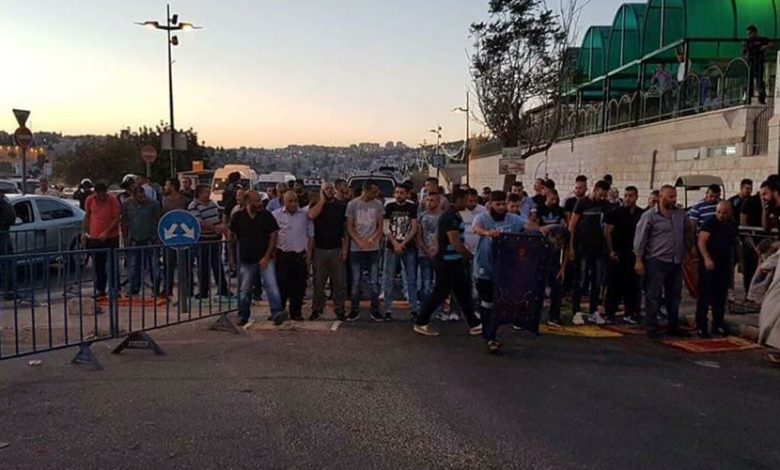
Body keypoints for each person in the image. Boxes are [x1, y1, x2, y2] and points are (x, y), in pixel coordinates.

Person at [413, 189, 482, 337]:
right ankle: (421, 322)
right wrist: (468, 255)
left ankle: (474, 323)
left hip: (453, 261)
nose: (467, 203)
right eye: (465, 200)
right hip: (448, 262)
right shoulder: (450, 217)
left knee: (462, 292)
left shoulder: (453, 215)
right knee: (441, 293)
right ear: (458, 200)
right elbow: (455, 242)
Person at [634, 185, 693, 338]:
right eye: (670, 197)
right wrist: (638, 260)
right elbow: (641, 238)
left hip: (676, 261)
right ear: (661, 197)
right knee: (653, 295)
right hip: (657, 260)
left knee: (674, 296)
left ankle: (672, 326)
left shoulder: (680, 214)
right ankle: (652, 327)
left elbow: (687, 232)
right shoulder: (650, 216)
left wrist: (688, 252)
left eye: (675, 196)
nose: (674, 200)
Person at [472, 191, 527, 353]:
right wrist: (488, 233)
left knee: (502, 302)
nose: (502, 207)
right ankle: (489, 336)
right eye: (498, 204)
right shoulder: (482, 218)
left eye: (504, 204)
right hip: (485, 267)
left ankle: (493, 331)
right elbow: (476, 228)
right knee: (487, 302)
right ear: (490, 205)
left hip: (505, 269)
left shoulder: (514, 219)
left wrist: (544, 229)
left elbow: (528, 226)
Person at [230, 190, 285, 326]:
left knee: (271, 285)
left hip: (265, 258)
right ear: (248, 202)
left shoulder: (266, 215)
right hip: (246, 258)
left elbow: (274, 235)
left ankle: (276, 312)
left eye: (260, 200)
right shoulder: (238, 216)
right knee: (245, 288)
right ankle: (243, 314)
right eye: (257, 201)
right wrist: (232, 257)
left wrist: (267, 256)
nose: (260, 203)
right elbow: (231, 235)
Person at [568, 180, 611, 325]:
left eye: (604, 195)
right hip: (582, 248)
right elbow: (572, 226)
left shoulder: (603, 204)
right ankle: (576, 311)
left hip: (597, 248)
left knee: (596, 281)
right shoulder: (582, 203)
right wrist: (571, 247)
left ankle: (593, 311)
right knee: (580, 280)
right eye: (600, 194)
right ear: (595, 190)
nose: (602, 198)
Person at [696, 202, 738, 337]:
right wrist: (707, 259)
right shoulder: (710, 223)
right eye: (719, 212)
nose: (721, 216)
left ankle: (718, 324)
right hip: (709, 264)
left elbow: (733, 244)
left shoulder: (731, 224)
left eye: (725, 213)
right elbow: (701, 242)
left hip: (723, 265)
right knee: (705, 297)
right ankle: (701, 326)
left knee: (720, 297)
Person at [308, 182, 348, 321]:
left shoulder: (341, 206)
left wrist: (345, 248)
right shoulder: (316, 205)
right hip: (319, 249)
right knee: (318, 282)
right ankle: (317, 308)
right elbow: (311, 216)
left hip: (336, 248)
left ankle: (340, 309)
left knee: (339, 282)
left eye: (331, 188)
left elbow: (346, 230)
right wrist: (322, 200)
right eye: (326, 189)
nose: (329, 191)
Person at [345, 180, 385, 321]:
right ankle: (354, 309)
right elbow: (349, 227)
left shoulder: (378, 205)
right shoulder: (352, 205)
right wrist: (359, 241)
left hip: (373, 248)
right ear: (366, 190)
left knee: (374, 281)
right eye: (373, 192)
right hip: (356, 249)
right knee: (356, 280)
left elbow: (380, 227)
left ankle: (375, 309)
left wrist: (372, 239)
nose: (376, 194)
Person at [604, 186, 644, 324]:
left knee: (632, 286)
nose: (628, 198)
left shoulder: (641, 214)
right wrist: (611, 250)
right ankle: (610, 313)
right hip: (618, 253)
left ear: (636, 197)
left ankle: (630, 313)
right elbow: (608, 233)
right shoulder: (615, 212)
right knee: (614, 285)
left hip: (633, 254)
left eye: (631, 196)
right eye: (626, 195)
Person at [272, 190, 314, 321]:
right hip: (282, 254)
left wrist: (309, 254)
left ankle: (296, 312)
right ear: (284, 202)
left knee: (299, 285)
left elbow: (310, 236)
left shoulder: (304, 215)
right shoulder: (276, 215)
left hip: (299, 255)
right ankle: (279, 311)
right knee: (281, 284)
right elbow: (273, 235)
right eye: (290, 201)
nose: (293, 204)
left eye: (295, 201)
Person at [382, 183, 419, 321]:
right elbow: (386, 228)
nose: (399, 195)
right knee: (389, 278)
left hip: (408, 247)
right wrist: (395, 243)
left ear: (407, 194)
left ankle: (414, 308)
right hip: (391, 247)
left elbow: (414, 228)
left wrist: (403, 243)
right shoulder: (389, 207)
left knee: (411, 279)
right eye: (397, 192)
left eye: (402, 193)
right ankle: (387, 309)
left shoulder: (412, 207)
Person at [188, 185, 230, 299]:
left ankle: (223, 289)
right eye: (206, 192)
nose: (208, 194)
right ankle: (203, 291)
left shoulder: (212, 203)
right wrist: (215, 228)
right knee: (203, 266)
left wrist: (221, 226)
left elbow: (218, 216)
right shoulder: (194, 206)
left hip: (215, 238)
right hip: (203, 239)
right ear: (199, 194)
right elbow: (199, 222)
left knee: (217, 265)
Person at [121, 186, 162, 297]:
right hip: (134, 238)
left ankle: (156, 289)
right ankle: (134, 289)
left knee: (154, 265)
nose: (142, 199)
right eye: (139, 197)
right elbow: (124, 221)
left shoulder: (153, 204)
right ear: (134, 196)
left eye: (143, 196)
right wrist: (125, 238)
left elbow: (159, 220)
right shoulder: (126, 204)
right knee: (134, 266)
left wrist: (159, 238)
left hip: (151, 238)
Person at [83, 183, 121, 298]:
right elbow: (87, 216)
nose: (102, 197)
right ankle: (100, 289)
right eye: (100, 195)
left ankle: (115, 289)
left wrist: (106, 232)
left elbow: (117, 218)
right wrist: (84, 232)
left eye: (104, 195)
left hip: (111, 238)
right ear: (95, 193)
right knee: (98, 266)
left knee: (113, 265)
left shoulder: (112, 200)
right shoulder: (90, 200)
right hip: (95, 238)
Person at [161, 178, 192, 298]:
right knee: (168, 264)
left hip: (184, 237)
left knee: (185, 265)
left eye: (167, 185)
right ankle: (167, 289)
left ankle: (188, 289)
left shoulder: (185, 201)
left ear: (173, 187)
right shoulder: (163, 201)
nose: (165, 187)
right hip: (169, 237)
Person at [416, 191, 443, 315]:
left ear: (438, 202)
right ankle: (425, 309)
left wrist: (437, 250)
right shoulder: (421, 216)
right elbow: (418, 236)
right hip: (424, 253)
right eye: (427, 200)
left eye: (432, 200)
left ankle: (438, 309)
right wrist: (426, 250)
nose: (429, 203)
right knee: (425, 282)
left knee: (439, 283)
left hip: (440, 254)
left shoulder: (443, 216)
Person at [744, 25, 773, 105]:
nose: (749, 35)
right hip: (751, 63)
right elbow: (745, 51)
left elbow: (771, 44)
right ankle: (748, 99)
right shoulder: (748, 41)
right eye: (748, 34)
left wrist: (764, 47)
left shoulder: (761, 40)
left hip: (759, 62)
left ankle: (761, 98)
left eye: (750, 33)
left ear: (755, 32)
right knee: (749, 81)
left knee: (759, 81)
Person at [460, 189, 488, 255]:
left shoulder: (483, 210)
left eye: (476, 201)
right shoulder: (460, 211)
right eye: (471, 201)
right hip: (464, 248)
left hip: (480, 247)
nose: (474, 203)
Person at [0, 191, 17, 300]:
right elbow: (11, 217)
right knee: (7, 264)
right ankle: (9, 292)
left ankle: (8, 291)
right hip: (2, 235)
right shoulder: (4, 204)